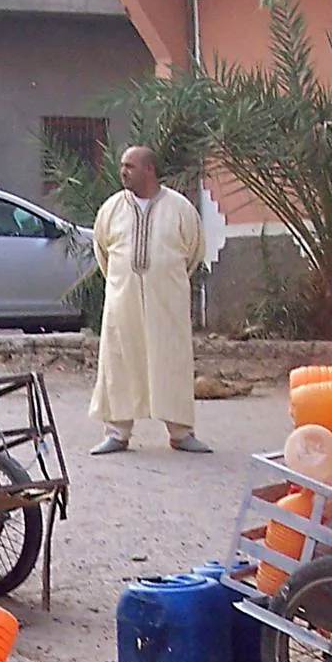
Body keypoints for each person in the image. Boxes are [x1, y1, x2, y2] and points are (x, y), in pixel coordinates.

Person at [89, 146, 209, 455]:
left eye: (130, 166)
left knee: (172, 362)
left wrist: (161, 280)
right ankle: (117, 432)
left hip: (167, 304)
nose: (123, 172)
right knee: (119, 362)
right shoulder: (111, 209)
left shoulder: (180, 209)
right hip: (122, 302)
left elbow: (194, 252)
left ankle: (181, 433)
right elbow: (102, 253)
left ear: (150, 169)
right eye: (122, 166)